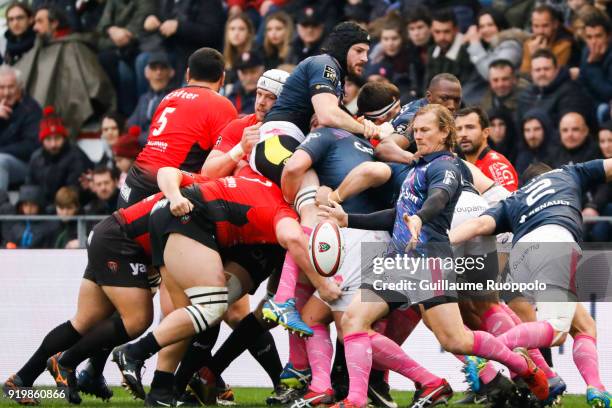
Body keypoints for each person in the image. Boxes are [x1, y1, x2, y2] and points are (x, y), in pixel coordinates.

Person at [319, 104, 550, 408]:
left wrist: (420, 218)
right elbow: (397, 215)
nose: (418, 136)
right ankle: (358, 399)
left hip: (429, 261)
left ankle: (521, 366)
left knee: (456, 340)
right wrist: (348, 219)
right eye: (415, 131)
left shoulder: (447, 166)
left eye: (425, 130)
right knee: (352, 321)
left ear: (444, 132)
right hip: (399, 260)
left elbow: (438, 198)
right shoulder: (419, 165)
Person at [449, 159, 612, 408]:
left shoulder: (514, 199)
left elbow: (479, 225)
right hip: (555, 240)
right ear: (550, 175)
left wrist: (441, 244)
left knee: (584, 326)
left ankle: (596, 387)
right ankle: (491, 351)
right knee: (557, 330)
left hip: (522, 255)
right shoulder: (568, 173)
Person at [118, 47, 237, 208]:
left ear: (188, 74)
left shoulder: (168, 97)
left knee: (121, 231)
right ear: (222, 78)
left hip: (136, 178)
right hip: (172, 187)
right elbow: (224, 161)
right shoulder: (222, 105)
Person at [16, 5, 116, 135]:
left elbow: (97, 86)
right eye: (34, 22)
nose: (34, 27)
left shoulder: (75, 48)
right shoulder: (38, 50)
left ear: (54, 23)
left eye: (40, 22)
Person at [135, 0, 225, 91]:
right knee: (144, 60)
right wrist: (151, 19)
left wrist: (179, 27)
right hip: (166, 48)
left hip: (194, 53)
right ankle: (148, 101)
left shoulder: (208, 3)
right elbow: (156, 19)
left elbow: (212, 33)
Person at [375, 73, 462, 164]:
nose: (452, 106)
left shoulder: (427, 109)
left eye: (457, 100)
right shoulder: (417, 118)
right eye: (445, 98)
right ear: (429, 97)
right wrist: (414, 159)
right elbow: (383, 148)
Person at [96, 0, 155, 116]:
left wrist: (113, 32)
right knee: (104, 59)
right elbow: (101, 28)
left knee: (129, 68)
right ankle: (119, 113)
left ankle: (137, 112)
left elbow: (134, 32)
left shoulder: (146, 3)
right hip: (116, 48)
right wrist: (111, 30)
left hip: (140, 47)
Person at [26, 106, 93, 208]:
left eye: (57, 138)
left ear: (64, 138)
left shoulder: (76, 156)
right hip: (42, 210)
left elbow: (74, 192)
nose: (53, 144)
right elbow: (30, 188)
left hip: (69, 210)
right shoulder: (36, 158)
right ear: (42, 141)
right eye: (48, 139)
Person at [517, 48, 595, 131]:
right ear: (531, 73)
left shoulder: (571, 93)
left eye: (546, 69)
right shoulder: (524, 96)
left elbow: (568, 129)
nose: (542, 73)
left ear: (556, 70)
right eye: (537, 70)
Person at [456, 107, 519, 192]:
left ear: (485, 132)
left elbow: (510, 202)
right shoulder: (460, 165)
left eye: (470, 127)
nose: (463, 134)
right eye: (458, 129)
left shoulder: (496, 165)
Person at [0, 64, 41, 192]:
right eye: (1, 88)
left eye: (11, 87)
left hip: (24, 164)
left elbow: (31, 146)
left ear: (19, 88)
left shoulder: (31, 109)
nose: (6, 93)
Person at [127, 52, 176, 146]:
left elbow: (161, 132)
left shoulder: (175, 98)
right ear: (147, 73)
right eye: (154, 68)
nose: (158, 72)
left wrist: (137, 139)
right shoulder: (144, 99)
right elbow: (131, 124)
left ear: (171, 72)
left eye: (163, 68)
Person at [464, 8, 524, 81]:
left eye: (490, 25)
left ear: (501, 26)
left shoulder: (511, 46)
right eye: (481, 26)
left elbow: (491, 74)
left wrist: (474, 43)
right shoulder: (488, 46)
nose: (485, 30)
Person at [520, 4, 574, 75]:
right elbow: (524, 73)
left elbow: (552, 74)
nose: (540, 31)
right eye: (536, 26)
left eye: (545, 26)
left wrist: (540, 54)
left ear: (555, 24)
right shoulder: (530, 43)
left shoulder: (565, 43)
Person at [578, 12, 612, 124]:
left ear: (608, 36)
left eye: (598, 36)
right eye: (589, 37)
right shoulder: (586, 52)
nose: (593, 42)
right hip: (593, 102)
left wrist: (593, 66)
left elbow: (609, 92)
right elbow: (582, 85)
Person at [425, 9, 472, 86]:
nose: (442, 37)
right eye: (437, 32)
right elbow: (427, 86)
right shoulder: (432, 51)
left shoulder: (467, 51)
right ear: (431, 31)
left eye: (446, 31)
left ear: (456, 30)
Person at [2, 184, 56, 249]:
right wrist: (8, 245)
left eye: (33, 205)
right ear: (20, 207)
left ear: (40, 206)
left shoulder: (49, 227)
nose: (29, 209)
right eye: (25, 205)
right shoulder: (15, 226)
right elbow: (6, 243)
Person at [515, 109, 555, 174]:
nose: (532, 135)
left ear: (546, 129)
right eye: (527, 130)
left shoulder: (557, 156)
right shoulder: (522, 157)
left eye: (537, 129)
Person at [226, 50, 266, 116]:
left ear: (262, 70)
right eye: (244, 73)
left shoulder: (270, 96)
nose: (249, 78)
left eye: (253, 72)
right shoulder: (229, 93)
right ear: (238, 73)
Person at [404, 6, 432, 96]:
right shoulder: (409, 49)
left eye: (420, 27)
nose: (416, 33)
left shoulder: (440, 48)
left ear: (430, 28)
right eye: (412, 29)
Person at [223, 13, 256, 84]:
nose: (236, 33)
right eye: (232, 29)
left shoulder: (256, 55)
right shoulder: (223, 57)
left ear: (249, 33)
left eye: (241, 29)